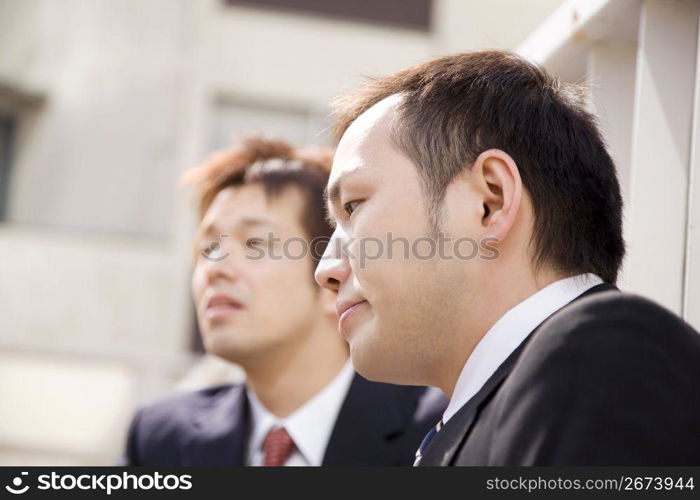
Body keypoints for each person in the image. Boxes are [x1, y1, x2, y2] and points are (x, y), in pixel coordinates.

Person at [315, 50, 700, 465]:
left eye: (353, 206)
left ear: (490, 201)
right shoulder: (492, 409)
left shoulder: (599, 356)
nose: (325, 270)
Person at [120, 137, 446, 466]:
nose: (215, 269)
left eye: (256, 243)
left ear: (331, 276)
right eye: (207, 249)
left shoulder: (438, 428)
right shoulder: (158, 440)